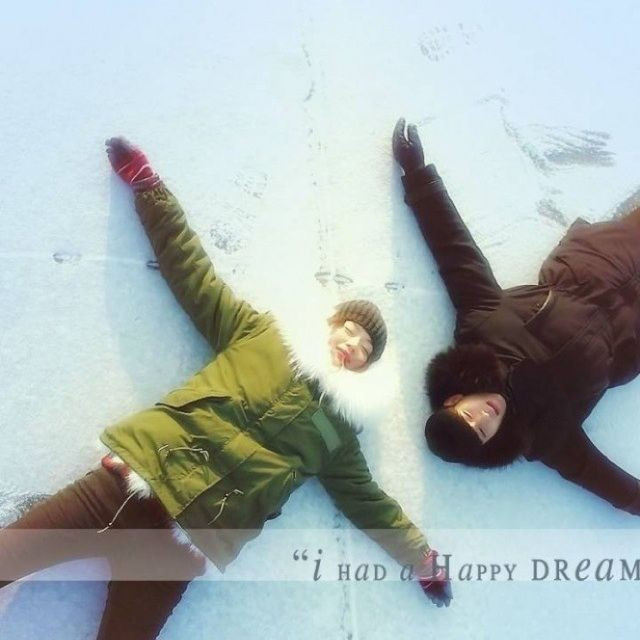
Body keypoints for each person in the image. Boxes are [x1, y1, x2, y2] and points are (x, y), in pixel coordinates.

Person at [0, 137, 451, 640]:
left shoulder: (338, 435)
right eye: (349, 330)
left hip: (184, 545)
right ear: (329, 324)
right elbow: (194, 278)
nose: (352, 345)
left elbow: (368, 501)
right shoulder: (260, 335)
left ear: (366, 368)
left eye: (365, 347)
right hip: (128, 481)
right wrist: (149, 189)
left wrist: (422, 558)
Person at [392, 117, 640, 516]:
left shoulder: (480, 327)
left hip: (595, 267)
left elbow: (454, 251)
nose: (484, 418)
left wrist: (417, 175)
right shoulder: (542, 435)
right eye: (482, 432)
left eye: (468, 416)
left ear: (455, 400)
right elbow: (595, 474)